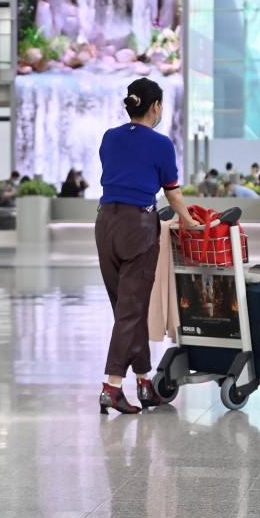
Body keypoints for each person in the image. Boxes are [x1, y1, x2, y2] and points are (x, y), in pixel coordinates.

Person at [96, 77, 196, 415]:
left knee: (127, 309)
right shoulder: (161, 143)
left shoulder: (110, 137)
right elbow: (172, 192)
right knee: (131, 310)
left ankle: (144, 381)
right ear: (155, 106)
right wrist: (190, 221)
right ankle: (111, 386)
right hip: (137, 227)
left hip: (105, 223)